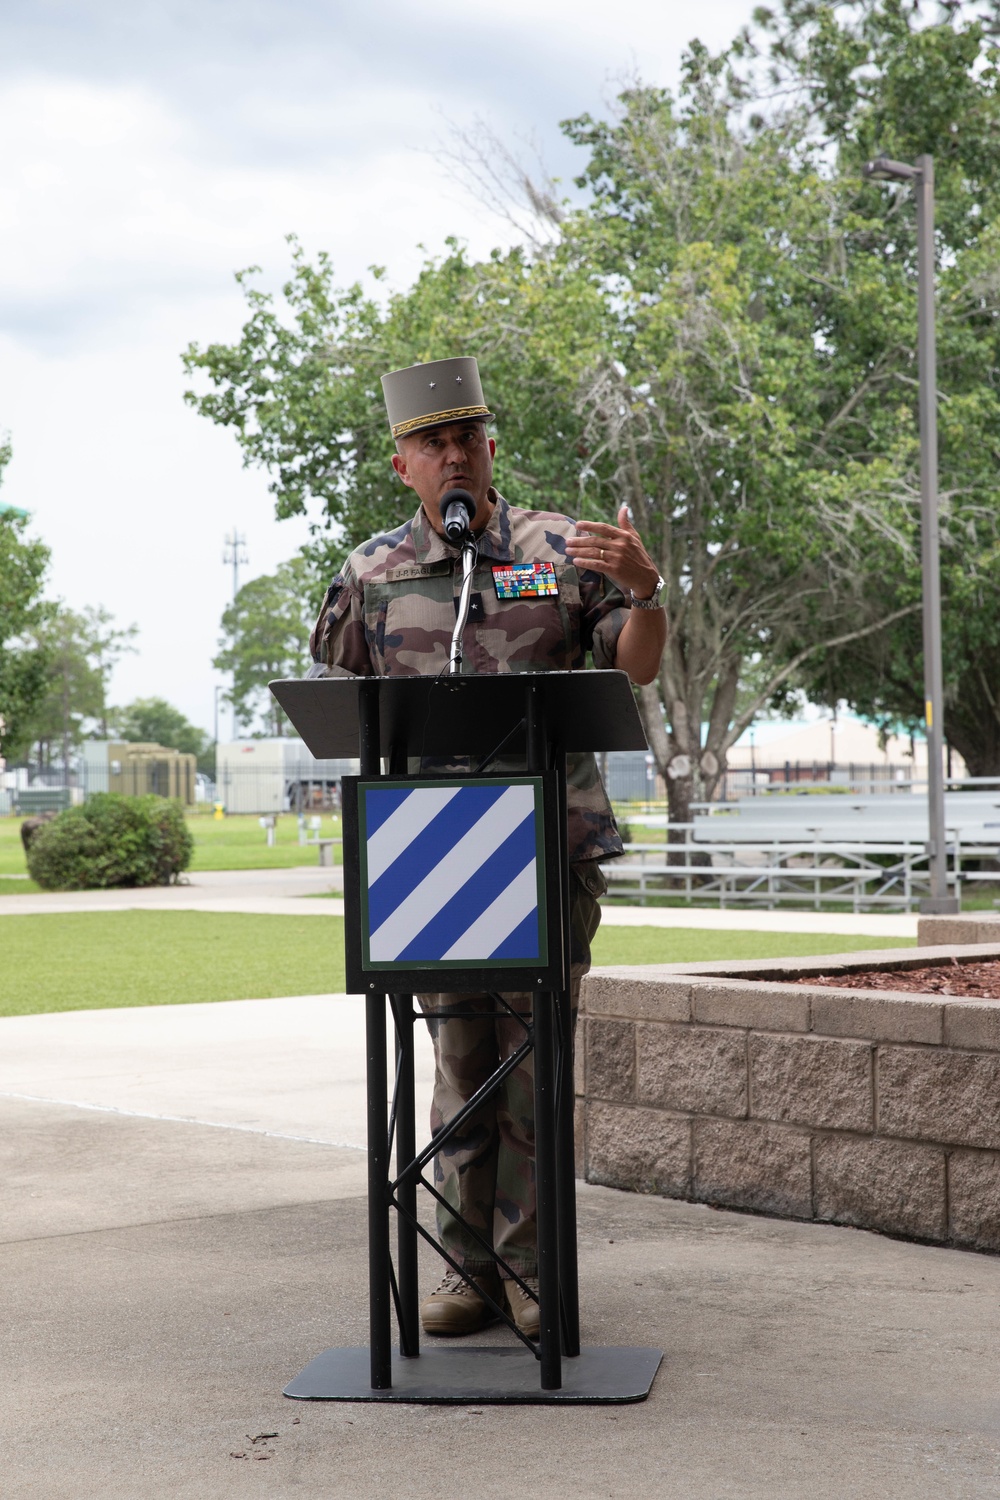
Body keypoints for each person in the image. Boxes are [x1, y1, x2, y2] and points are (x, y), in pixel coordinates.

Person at [310, 356, 666, 1338]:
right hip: (428, 862)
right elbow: (339, 696)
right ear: (402, 467)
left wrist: (645, 593)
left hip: (547, 853)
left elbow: (629, 661)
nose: (454, 453)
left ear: (491, 449)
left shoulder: (553, 550)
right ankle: (463, 1272)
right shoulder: (373, 574)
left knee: (534, 1068)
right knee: (461, 1065)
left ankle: (531, 1276)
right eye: (433, 442)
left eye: (468, 436)